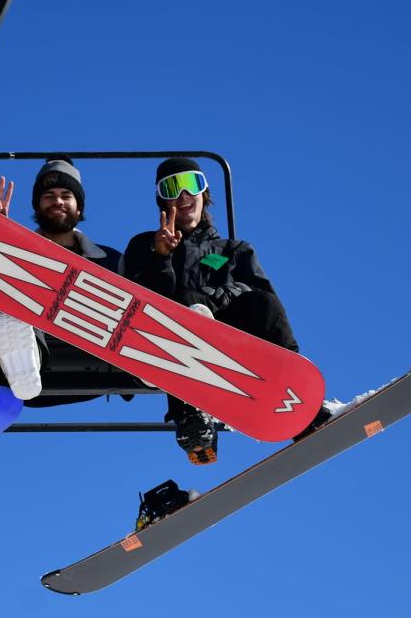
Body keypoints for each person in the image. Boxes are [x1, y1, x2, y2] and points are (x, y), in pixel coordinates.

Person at [123, 157, 327, 464]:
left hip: (225, 336)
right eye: (172, 187)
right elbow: (139, 297)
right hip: (164, 343)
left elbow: (260, 295)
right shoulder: (144, 246)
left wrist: (210, 303)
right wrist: (161, 257)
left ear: (204, 193)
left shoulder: (233, 250)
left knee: (263, 304)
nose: (184, 195)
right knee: (185, 306)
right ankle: (191, 415)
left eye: (191, 184)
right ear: (162, 200)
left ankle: (298, 391)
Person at [0, 156, 123, 401]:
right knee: (13, 309)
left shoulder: (109, 261)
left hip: (92, 353)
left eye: (66, 195)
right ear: (37, 207)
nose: (57, 201)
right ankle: (24, 363)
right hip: (26, 373)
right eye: (48, 195)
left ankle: (148, 369)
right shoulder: (16, 253)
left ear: (79, 208)